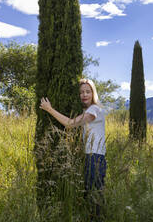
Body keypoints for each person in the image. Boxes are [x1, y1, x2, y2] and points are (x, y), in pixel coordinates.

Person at [39, 78, 106, 221]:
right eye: (81, 92)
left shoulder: (94, 110)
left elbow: (70, 124)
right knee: (91, 194)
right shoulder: (88, 110)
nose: (84, 95)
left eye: (88, 91)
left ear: (93, 93)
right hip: (91, 156)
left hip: (95, 158)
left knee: (94, 195)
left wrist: (49, 109)